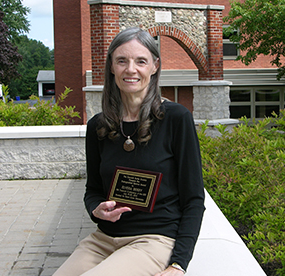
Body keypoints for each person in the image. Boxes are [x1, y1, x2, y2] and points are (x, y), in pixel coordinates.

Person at [53, 27, 205, 276]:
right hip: (104, 239)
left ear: (154, 66)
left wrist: (179, 263)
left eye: (140, 61)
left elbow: (194, 199)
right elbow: (92, 190)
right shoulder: (98, 126)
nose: (131, 69)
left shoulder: (176, 119)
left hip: (154, 238)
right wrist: (96, 209)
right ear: (112, 67)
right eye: (122, 60)